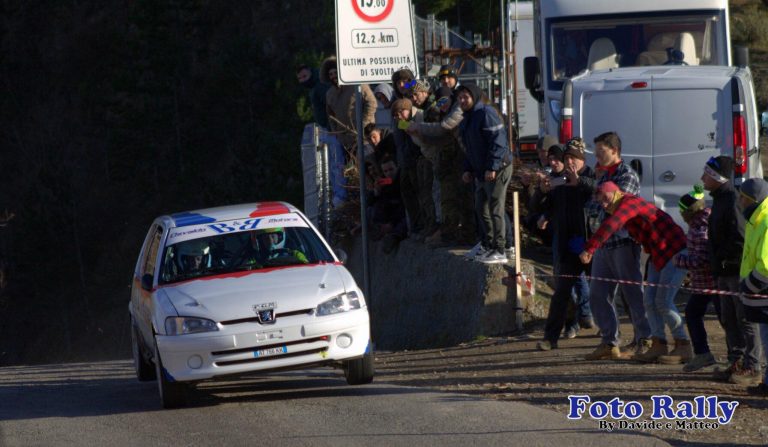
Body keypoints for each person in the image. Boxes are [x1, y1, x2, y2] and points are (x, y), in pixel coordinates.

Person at [581, 181, 689, 363]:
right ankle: (659, 344)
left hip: (674, 250)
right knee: (649, 300)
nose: (604, 204)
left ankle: (683, 345)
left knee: (663, 301)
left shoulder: (629, 203)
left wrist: (590, 248)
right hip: (657, 254)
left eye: (606, 198)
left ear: (616, 192)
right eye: (600, 201)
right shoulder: (618, 208)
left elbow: (612, 225)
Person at [582, 132, 650, 361]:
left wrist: (599, 207)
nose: (597, 157)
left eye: (601, 151)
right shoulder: (603, 176)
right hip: (604, 244)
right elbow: (593, 206)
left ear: (615, 150)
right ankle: (609, 341)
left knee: (632, 293)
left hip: (623, 242)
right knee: (598, 294)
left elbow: (616, 211)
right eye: (596, 152)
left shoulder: (626, 175)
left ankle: (645, 338)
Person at [702, 156, 761, 384]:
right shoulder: (719, 199)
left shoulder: (732, 200)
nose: (702, 178)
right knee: (728, 318)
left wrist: (724, 259)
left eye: (707, 174)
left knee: (744, 318)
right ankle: (735, 361)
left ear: (717, 177)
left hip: (735, 270)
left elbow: (739, 236)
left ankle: (752, 366)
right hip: (723, 271)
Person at [536, 140, 596, 351]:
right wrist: (542, 191)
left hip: (591, 243)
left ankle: (613, 336)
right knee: (561, 292)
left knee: (602, 292)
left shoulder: (591, 176)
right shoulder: (560, 180)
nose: (570, 162)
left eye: (574, 158)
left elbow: (600, 191)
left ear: (582, 159)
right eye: (567, 158)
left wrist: (579, 182)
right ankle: (550, 337)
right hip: (568, 244)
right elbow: (544, 205)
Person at [457, 83, 513, 264]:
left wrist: (493, 167)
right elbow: (469, 149)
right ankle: (488, 245)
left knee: (495, 207)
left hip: (498, 167)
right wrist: (467, 169)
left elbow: (499, 142)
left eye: (466, 97)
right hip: (482, 170)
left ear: (474, 97)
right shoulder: (467, 118)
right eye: (460, 98)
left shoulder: (486, 113)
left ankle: (501, 249)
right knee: (481, 207)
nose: (462, 100)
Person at [669, 185, 720, 370]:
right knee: (697, 314)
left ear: (688, 212)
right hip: (707, 282)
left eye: (682, 211)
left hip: (707, 283)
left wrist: (678, 260)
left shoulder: (698, 229)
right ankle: (706, 354)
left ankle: (706, 354)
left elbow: (701, 261)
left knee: (696, 315)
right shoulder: (707, 219)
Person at [738, 178, 768, 394]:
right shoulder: (756, 219)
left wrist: (748, 286)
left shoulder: (764, 221)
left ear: (753, 200)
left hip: (763, 292)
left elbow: (766, 266)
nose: (740, 202)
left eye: (743, 198)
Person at [320, 56, 377, 152]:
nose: (333, 76)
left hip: (365, 138)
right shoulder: (329, 94)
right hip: (345, 142)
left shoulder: (357, 84)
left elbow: (372, 103)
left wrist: (363, 124)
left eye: (336, 72)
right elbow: (330, 115)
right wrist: (336, 132)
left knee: (369, 160)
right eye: (330, 74)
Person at [296, 64, 330, 129]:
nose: (302, 80)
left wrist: (331, 125)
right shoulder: (312, 85)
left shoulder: (320, 84)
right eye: (299, 78)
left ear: (310, 72)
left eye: (304, 76)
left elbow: (331, 104)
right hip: (328, 126)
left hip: (333, 126)